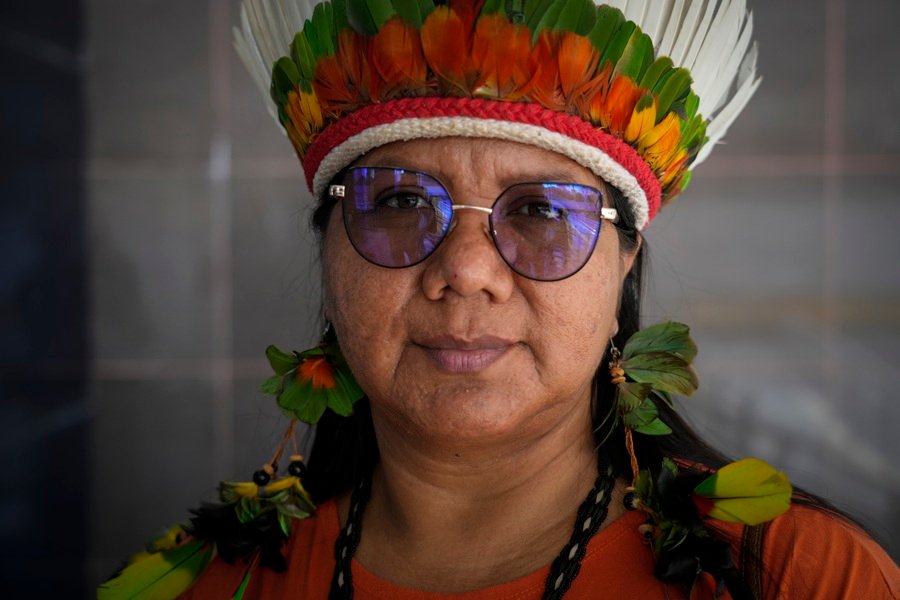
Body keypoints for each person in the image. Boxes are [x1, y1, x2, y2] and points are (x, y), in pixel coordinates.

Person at [99, 0, 900, 598]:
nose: (469, 271)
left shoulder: (800, 578)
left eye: (543, 211)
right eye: (403, 202)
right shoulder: (209, 586)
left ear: (624, 263)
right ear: (329, 248)